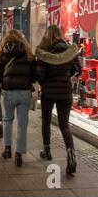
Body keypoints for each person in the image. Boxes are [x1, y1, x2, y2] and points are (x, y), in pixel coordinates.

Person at [35, 25, 81, 175]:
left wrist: (44, 84)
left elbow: (40, 75)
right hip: (65, 91)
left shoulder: (45, 52)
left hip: (48, 91)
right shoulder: (70, 50)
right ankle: (71, 155)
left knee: (46, 121)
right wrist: (66, 76)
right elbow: (76, 68)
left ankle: (47, 150)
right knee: (64, 125)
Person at [0, 30, 36, 168]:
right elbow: (34, 77)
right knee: (22, 124)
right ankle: (19, 155)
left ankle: (7, 149)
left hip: (8, 92)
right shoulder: (28, 54)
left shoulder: (3, 54)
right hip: (24, 93)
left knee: (7, 121)